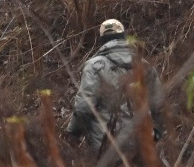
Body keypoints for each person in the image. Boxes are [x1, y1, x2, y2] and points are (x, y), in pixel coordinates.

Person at [68, 18, 164, 150]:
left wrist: (73, 134)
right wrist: (157, 134)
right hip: (143, 146)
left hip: (106, 148)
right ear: (123, 37)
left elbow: (84, 107)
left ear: (101, 41)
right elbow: (159, 105)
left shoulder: (94, 66)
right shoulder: (145, 66)